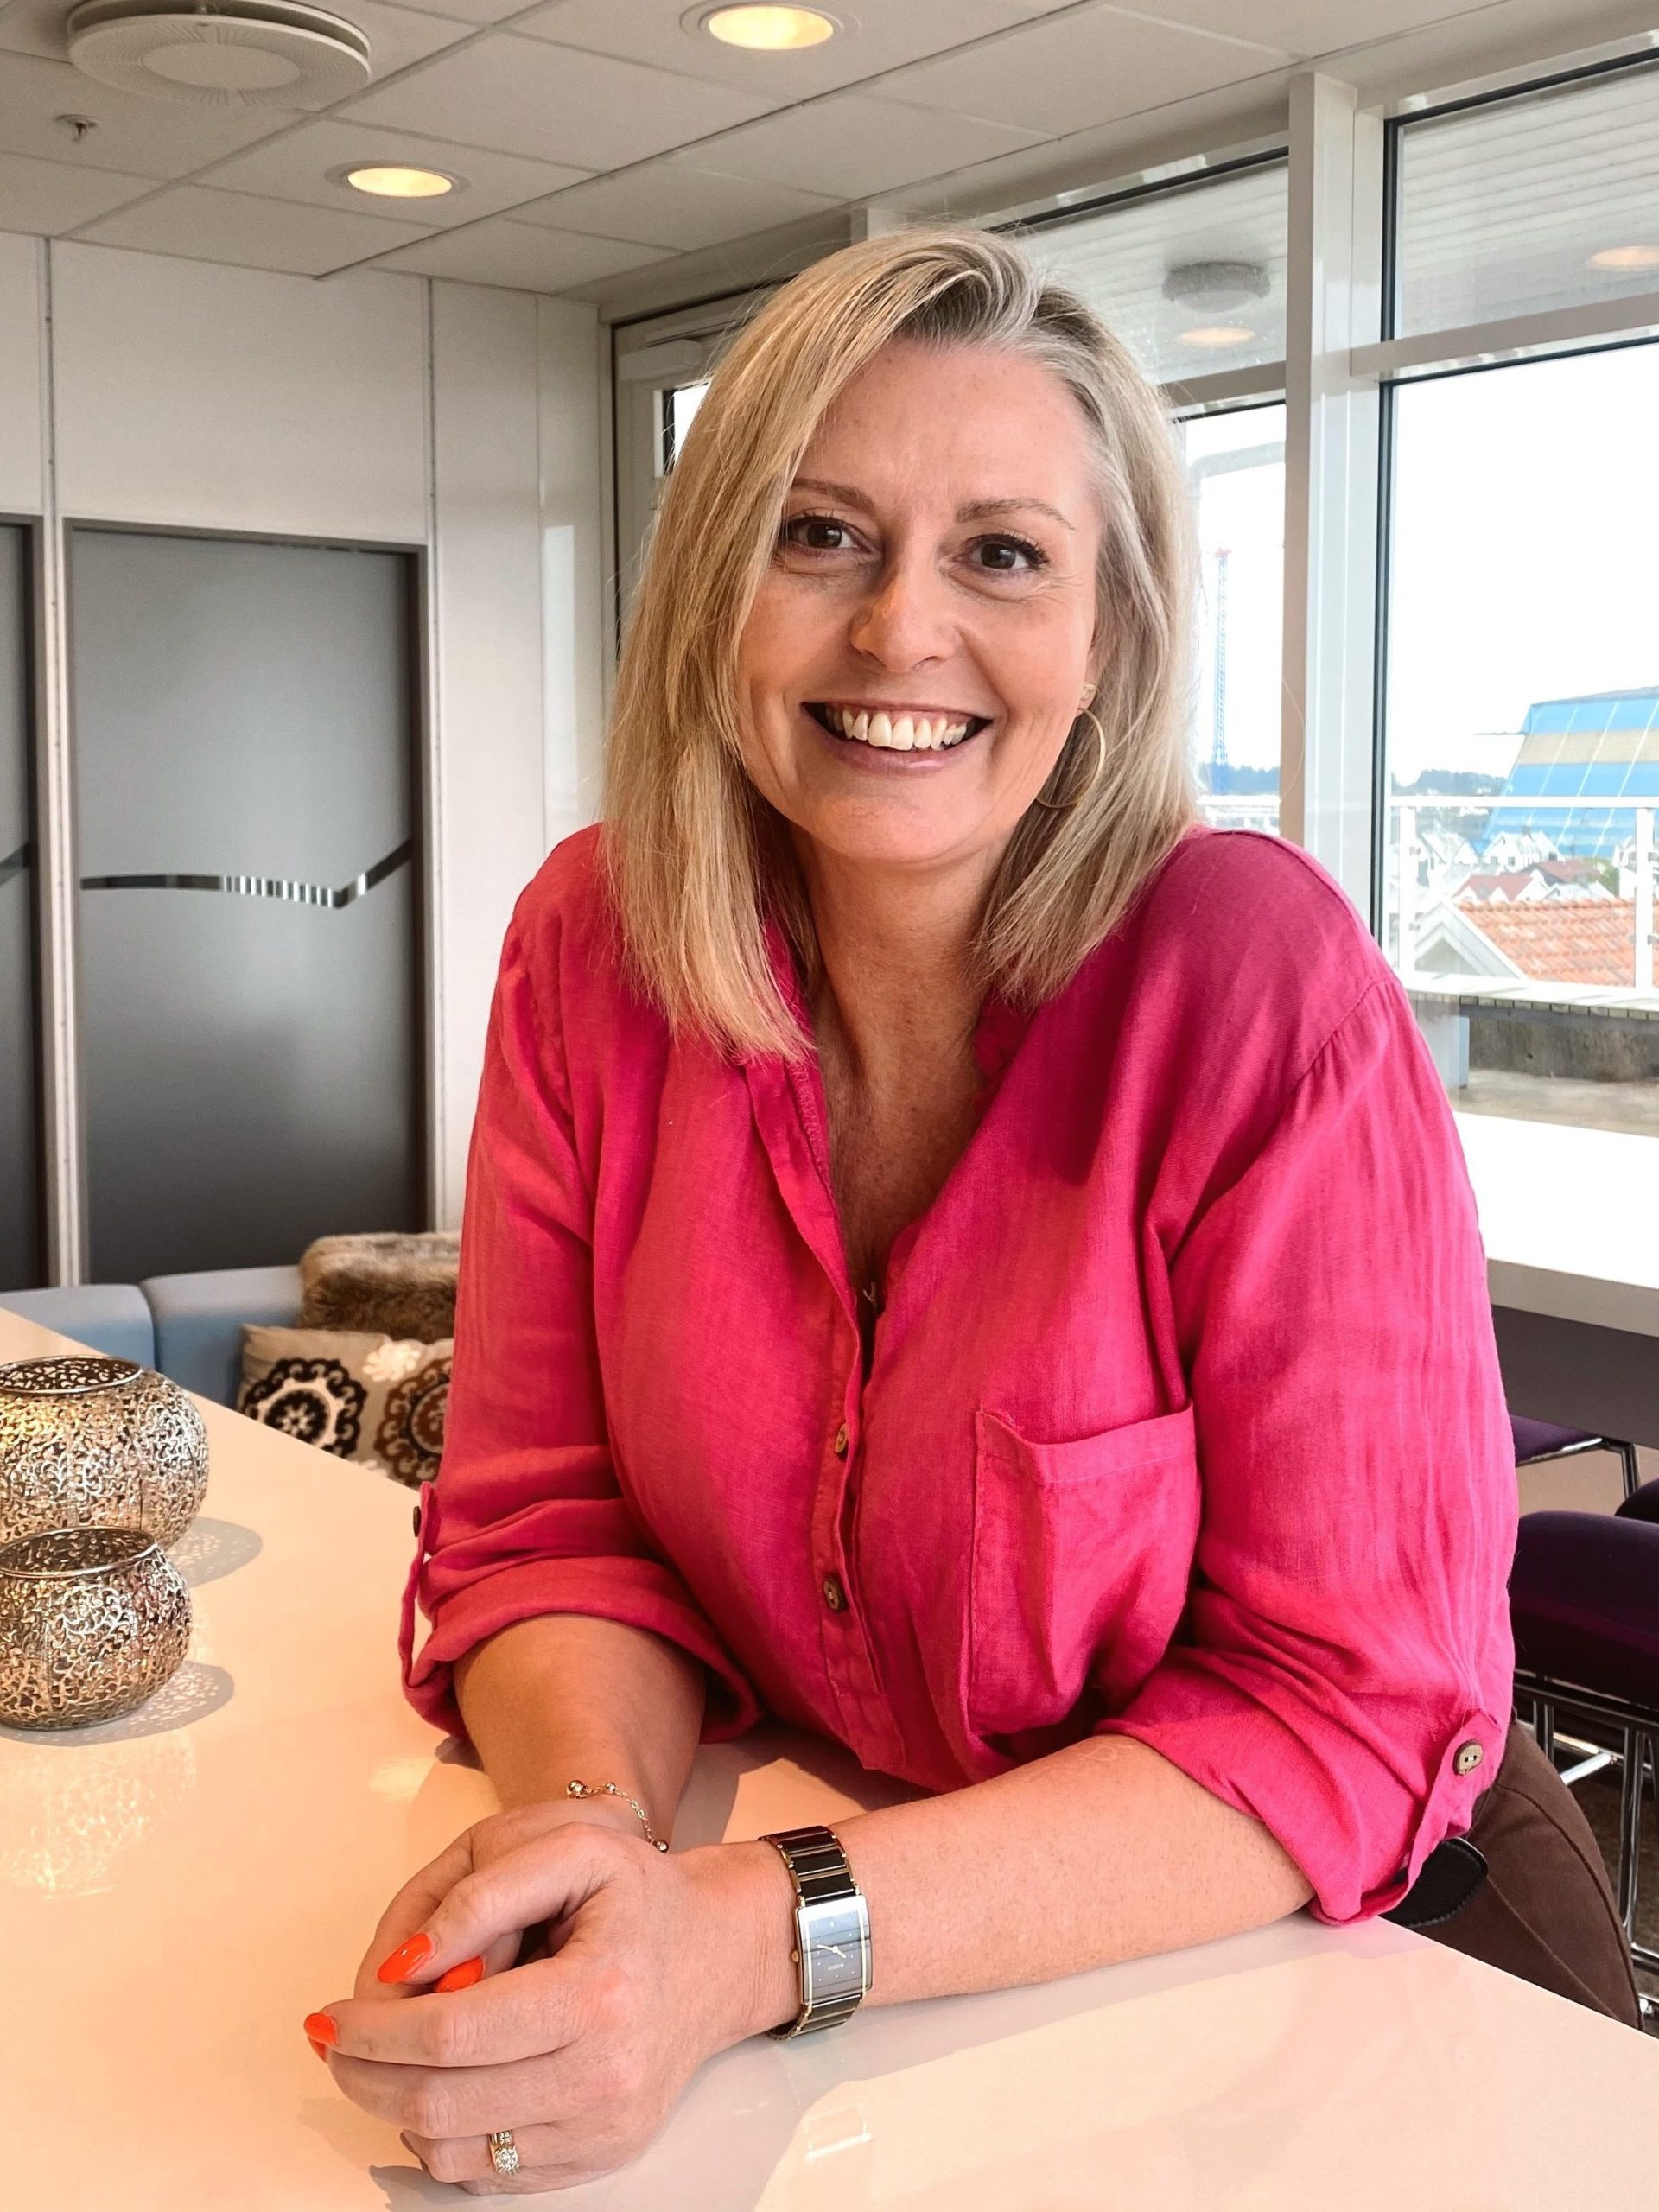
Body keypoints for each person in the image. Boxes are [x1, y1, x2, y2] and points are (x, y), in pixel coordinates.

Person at [302, 228, 1640, 2192]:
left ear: (1111, 632)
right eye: (820, 535)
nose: (899, 629)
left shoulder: (1254, 987)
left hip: (1379, 1971)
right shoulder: (593, 947)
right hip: (924, 2005)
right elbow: (553, 1517)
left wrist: (749, 1931)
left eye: (1002, 554)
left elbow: (1338, 1706)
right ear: (714, 588)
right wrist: (592, 1847)